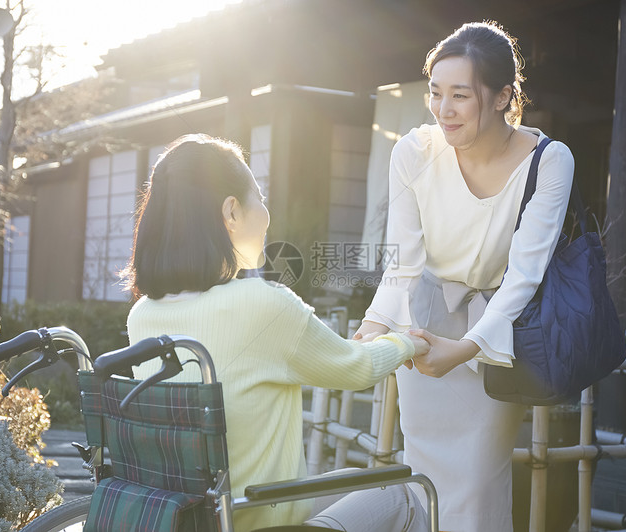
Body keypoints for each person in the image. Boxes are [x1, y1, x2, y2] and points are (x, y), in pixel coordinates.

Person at [122, 134, 430, 532]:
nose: (266, 212)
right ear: (231, 212)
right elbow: (355, 369)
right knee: (401, 493)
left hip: (188, 519)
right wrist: (410, 341)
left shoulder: (142, 315)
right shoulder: (263, 304)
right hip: (258, 518)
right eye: (260, 197)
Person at [354, 21, 575, 531]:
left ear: (502, 97)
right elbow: (404, 260)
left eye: (460, 95)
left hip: (494, 335)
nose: (443, 109)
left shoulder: (549, 161)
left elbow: (524, 274)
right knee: (422, 477)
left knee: (477, 481)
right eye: (435, 93)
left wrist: (469, 347)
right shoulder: (413, 152)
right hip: (426, 331)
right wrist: (374, 322)